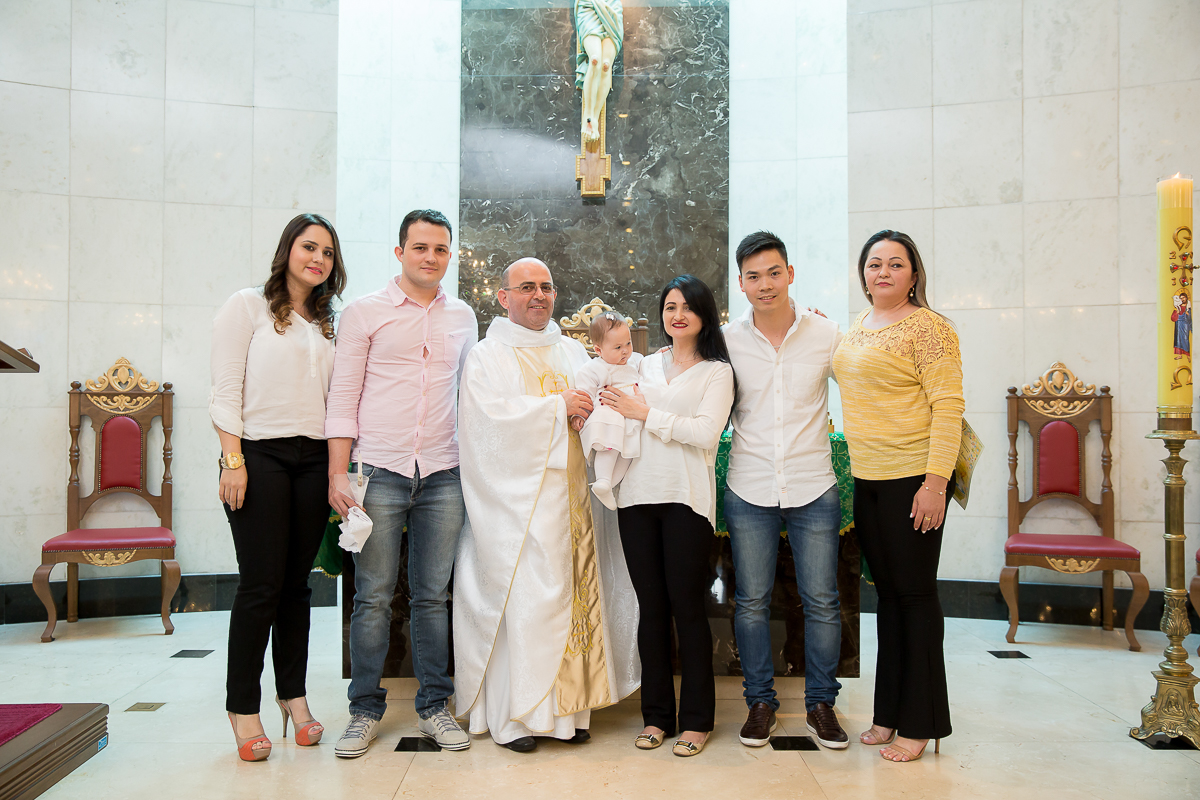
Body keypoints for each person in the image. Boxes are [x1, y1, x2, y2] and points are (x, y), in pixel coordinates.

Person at [453, 257, 639, 752]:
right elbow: (486, 426)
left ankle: (568, 717)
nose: (539, 295)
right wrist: (558, 410)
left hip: (574, 504)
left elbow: (607, 392)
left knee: (572, 601)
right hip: (518, 508)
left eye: (547, 287)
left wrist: (592, 414)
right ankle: (518, 720)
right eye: (527, 287)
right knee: (528, 604)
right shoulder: (488, 355)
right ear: (503, 297)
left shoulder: (573, 351)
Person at [324, 209, 478, 757]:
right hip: (378, 472)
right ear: (400, 253)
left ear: (449, 254)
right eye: (420, 248)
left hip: (443, 473)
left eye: (440, 249)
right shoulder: (364, 313)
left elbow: (471, 398)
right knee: (372, 598)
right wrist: (337, 473)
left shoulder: (463, 318)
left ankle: (436, 705)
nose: (431, 258)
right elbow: (342, 396)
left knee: (434, 597)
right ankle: (364, 710)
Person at [209, 213, 347, 762]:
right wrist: (232, 459)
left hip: (313, 457)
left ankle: (294, 697)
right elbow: (224, 387)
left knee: (297, 588)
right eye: (309, 247)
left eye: (328, 253)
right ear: (287, 249)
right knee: (260, 586)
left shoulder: (329, 320)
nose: (318, 259)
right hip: (258, 453)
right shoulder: (247, 305)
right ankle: (243, 707)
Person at [832, 230, 964, 763]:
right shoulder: (858, 327)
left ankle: (921, 721)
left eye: (895, 264)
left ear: (914, 273)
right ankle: (888, 712)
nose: (882, 272)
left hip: (916, 480)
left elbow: (949, 407)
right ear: (863, 273)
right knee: (886, 600)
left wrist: (936, 483)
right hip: (868, 479)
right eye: (874, 264)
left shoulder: (931, 329)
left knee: (914, 597)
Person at [721, 231, 848, 750]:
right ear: (741, 284)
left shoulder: (828, 333)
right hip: (748, 484)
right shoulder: (725, 340)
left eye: (774, 272)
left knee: (822, 601)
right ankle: (759, 702)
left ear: (790, 274)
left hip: (813, 483)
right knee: (750, 602)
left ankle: (821, 703)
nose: (765, 284)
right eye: (753, 276)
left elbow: (866, 383)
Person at [601, 274, 735, 757]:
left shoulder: (716, 371)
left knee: (688, 608)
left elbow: (705, 433)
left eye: (687, 307)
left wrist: (645, 415)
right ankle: (657, 717)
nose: (677, 314)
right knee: (650, 610)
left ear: (704, 315)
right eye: (669, 306)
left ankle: (696, 721)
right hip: (635, 497)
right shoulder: (643, 363)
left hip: (686, 501)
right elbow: (608, 387)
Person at [573, 310, 644, 509]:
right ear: (599, 349)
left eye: (628, 344)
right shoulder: (595, 367)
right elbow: (584, 391)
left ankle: (608, 485)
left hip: (630, 416)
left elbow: (650, 368)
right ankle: (603, 478)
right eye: (618, 347)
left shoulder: (635, 361)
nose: (625, 351)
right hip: (609, 412)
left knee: (628, 451)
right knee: (610, 446)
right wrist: (580, 413)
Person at [574, 0, 624, 142]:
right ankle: (588, 116)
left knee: (605, 65)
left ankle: (593, 118)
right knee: (595, 60)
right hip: (589, 5)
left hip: (611, 6)